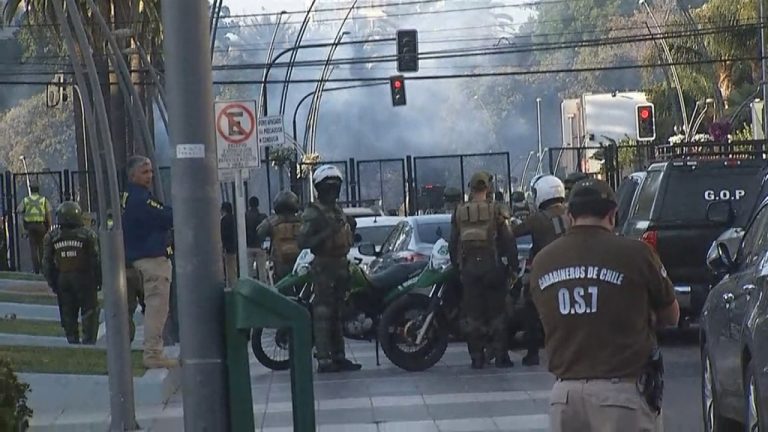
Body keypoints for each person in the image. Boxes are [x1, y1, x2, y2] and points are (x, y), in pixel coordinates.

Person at [529, 179, 679, 432]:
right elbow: (672, 315)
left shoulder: (543, 261)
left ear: (569, 216)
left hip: (565, 397)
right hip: (621, 396)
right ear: (612, 214)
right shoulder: (637, 254)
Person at [449, 171, 518, 369]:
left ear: (471, 188)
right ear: (489, 188)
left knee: (473, 315)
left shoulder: (459, 211)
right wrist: (512, 266)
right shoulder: (497, 209)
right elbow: (508, 240)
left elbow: (452, 243)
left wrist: (457, 266)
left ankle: (476, 357)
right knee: (498, 313)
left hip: (469, 269)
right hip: (492, 266)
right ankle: (501, 357)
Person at [298, 165, 361, 373]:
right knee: (323, 313)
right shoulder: (313, 212)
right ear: (320, 188)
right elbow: (303, 242)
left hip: (341, 264)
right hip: (324, 266)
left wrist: (349, 227)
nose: (333, 191)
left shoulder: (337, 210)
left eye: (336, 187)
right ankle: (324, 358)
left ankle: (339, 356)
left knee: (337, 313)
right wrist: (327, 232)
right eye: (329, 187)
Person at [122, 155, 177, 369]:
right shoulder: (142, 199)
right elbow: (165, 217)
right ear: (132, 175)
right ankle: (153, 354)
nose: (150, 176)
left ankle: (123, 354)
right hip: (151, 261)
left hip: (131, 260)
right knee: (156, 308)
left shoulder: (126, 197)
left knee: (127, 312)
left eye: (151, 171)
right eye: (145, 172)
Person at [513, 175, 570, 366]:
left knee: (530, 308)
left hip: (546, 271)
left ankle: (532, 353)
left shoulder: (538, 219)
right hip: (572, 269)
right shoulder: (571, 214)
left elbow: (514, 232)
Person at [42, 201, 100, 345]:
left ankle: (72, 340)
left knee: (67, 312)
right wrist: (98, 280)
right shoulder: (88, 235)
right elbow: (96, 259)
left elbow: (47, 263)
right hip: (84, 278)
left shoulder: (52, 236)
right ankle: (88, 342)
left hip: (63, 278)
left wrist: (53, 282)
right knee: (89, 311)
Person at [255, 191, 302, 282]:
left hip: (279, 262)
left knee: (279, 284)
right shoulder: (301, 220)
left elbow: (259, 233)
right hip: (299, 260)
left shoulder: (272, 222)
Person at [17, 184, 52, 274]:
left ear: (31, 190)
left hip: (31, 226)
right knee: (42, 248)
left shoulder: (26, 200)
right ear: (38, 190)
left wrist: (23, 228)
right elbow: (48, 214)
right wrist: (49, 227)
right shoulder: (43, 200)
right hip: (41, 226)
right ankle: (43, 269)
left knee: (33, 248)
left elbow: (19, 210)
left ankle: (35, 269)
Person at [245, 196, 268, 281]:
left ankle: (250, 286)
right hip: (260, 246)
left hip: (249, 246)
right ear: (258, 204)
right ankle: (263, 286)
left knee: (249, 271)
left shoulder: (245, 216)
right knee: (262, 271)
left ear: (249, 204)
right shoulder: (263, 217)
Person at [220, 202, 237, 287]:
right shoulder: (235, 218)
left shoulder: (224, 220)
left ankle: (231, 286)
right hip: (234, 247)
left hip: (228, 248)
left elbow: (223, 235)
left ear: (224, 210)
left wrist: (223, 247)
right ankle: (233, 284)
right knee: (233, 268)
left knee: (229, 269)